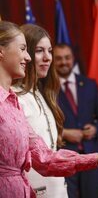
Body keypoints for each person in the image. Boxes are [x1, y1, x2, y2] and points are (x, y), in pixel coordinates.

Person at [0, 20, 98, 198]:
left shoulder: (18, 101)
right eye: (24, 49)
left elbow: (44, 157)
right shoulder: (16, 98)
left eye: (49, 51)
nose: (28, 57)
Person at [13, 23, 68, 198]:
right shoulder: (13, 98)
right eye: (39, 51)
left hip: (58, 189)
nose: (47, 58)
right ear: (25, 54)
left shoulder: (43, 93)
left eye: (49, 51)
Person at [53, 44, 98, 198]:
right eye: (58, 58)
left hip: (90, 155)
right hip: (62, 156)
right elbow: (41, 123)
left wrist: (95, 129)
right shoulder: (47, 88)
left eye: (67, 58)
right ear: (52, 61)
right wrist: (63, 133)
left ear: (73, 59)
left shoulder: (89, 84)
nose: (63, 62)